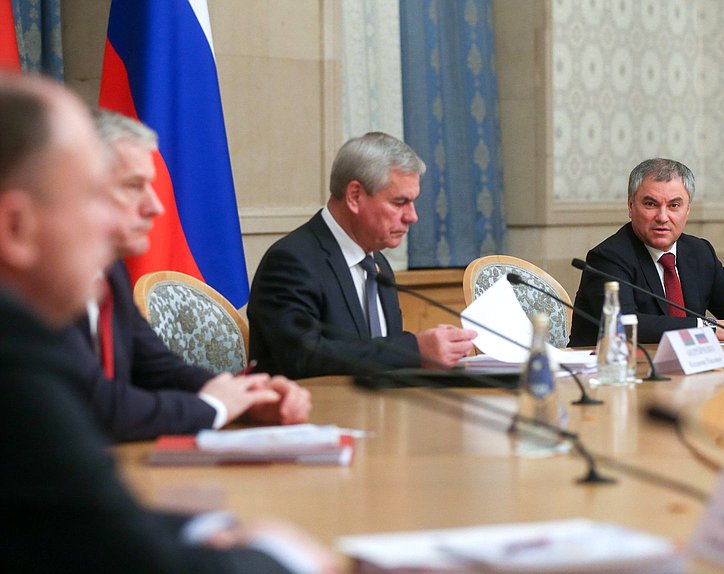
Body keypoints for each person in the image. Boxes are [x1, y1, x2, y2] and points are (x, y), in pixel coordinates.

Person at [0, 74, 336, 573]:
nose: (142, 213)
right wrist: (282, 556)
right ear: (15, 227)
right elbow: (123, 554)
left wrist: (243, 402)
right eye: (97, 196)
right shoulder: (15, 350)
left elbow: (76, 517)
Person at [62, 110, 311, 442]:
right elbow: (96, 406)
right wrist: (213, 408)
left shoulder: (108, 270)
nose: (155, 206)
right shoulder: (29, 284)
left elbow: (156, 367)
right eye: (133, 186)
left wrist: (247, 397)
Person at [248, 132, 476, 379]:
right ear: (355, 196)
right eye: (400, 203)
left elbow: (378, 359)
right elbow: (302, 358)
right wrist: (414, 350)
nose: (412, 216)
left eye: (413, 202)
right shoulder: (292, 261)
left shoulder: (378, 264)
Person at [568, 158, 724, 347]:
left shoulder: (699, 252)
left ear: (687, 210)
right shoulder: (609, 258)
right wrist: (706, 327)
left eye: (674, 206)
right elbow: (625, 324)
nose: (662, 217)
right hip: (607, 372)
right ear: (630, 206)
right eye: (650, 204)